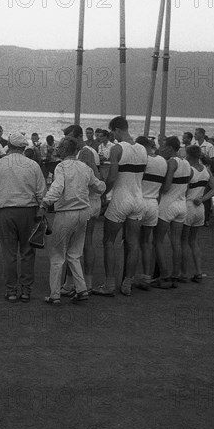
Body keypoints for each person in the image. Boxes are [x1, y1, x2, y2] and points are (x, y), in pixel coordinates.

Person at [39, 135, 106, 304]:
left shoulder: (61, 167)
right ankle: (81, 288)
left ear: (64, 150)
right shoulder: (84, 167)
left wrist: (45, 203)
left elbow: (58, 187)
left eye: (59, 147)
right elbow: (99, 186)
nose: (57, 149)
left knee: (57, 255)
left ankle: (55, 294)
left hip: (66, 212)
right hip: (84, 212)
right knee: (74, 253)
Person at [0, 132, 46, 303]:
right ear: (24, 148)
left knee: (9, 253)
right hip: (28, 211)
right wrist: (42, 208)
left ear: (9, 146)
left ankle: (11, 290)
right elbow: (42, 193)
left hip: (5, 212)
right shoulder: (33, 165)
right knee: (27, 252)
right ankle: (26, 290)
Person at [92, 116, 147, 297]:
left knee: (108, 241)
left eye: (112, 132)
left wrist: (102, 193)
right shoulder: (142, 149)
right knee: (133, 242)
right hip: (138, 199)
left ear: (116, 130)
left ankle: (109, 284)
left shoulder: (117, 148)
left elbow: (113, 177)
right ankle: (127, 283)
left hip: (121, 198)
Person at [60, 124, 102, 295]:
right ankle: (84, 282)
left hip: (87, 201)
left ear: (78, 137)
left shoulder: (84, 152)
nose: (66, 141)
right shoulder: (84, 152)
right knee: (84, 243)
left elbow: (93, 178)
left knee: (75, 244)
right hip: (90, 200)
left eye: (69, 138)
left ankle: (72, 283)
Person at [153, 136, 192, 289]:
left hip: (168, 204)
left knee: (158, 240)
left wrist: (158, 188)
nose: (162, 149)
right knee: (176, 241)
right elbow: (187, 186)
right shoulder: (187, 163)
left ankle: (164, 275)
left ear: (170, 148)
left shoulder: (171, 162)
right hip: (182, 204)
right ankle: (176, 274)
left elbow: (167, 186)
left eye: (164, 147)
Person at [181, 145, 214, 283]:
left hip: (189, 205)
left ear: (189, 155)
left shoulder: (189, 170)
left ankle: (183, 273)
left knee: (183, 241)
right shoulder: (206, 170)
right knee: (193, 241)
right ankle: (198, 271)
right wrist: (203, 198)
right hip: (200, 207)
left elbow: (184, 190)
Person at [135, 136, 167, 290]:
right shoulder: (162, 161)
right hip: (154, 202)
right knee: (146, 242)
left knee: (132, 241)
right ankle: (147, 276)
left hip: (141, 200)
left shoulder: (143, 160)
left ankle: (130, 276)